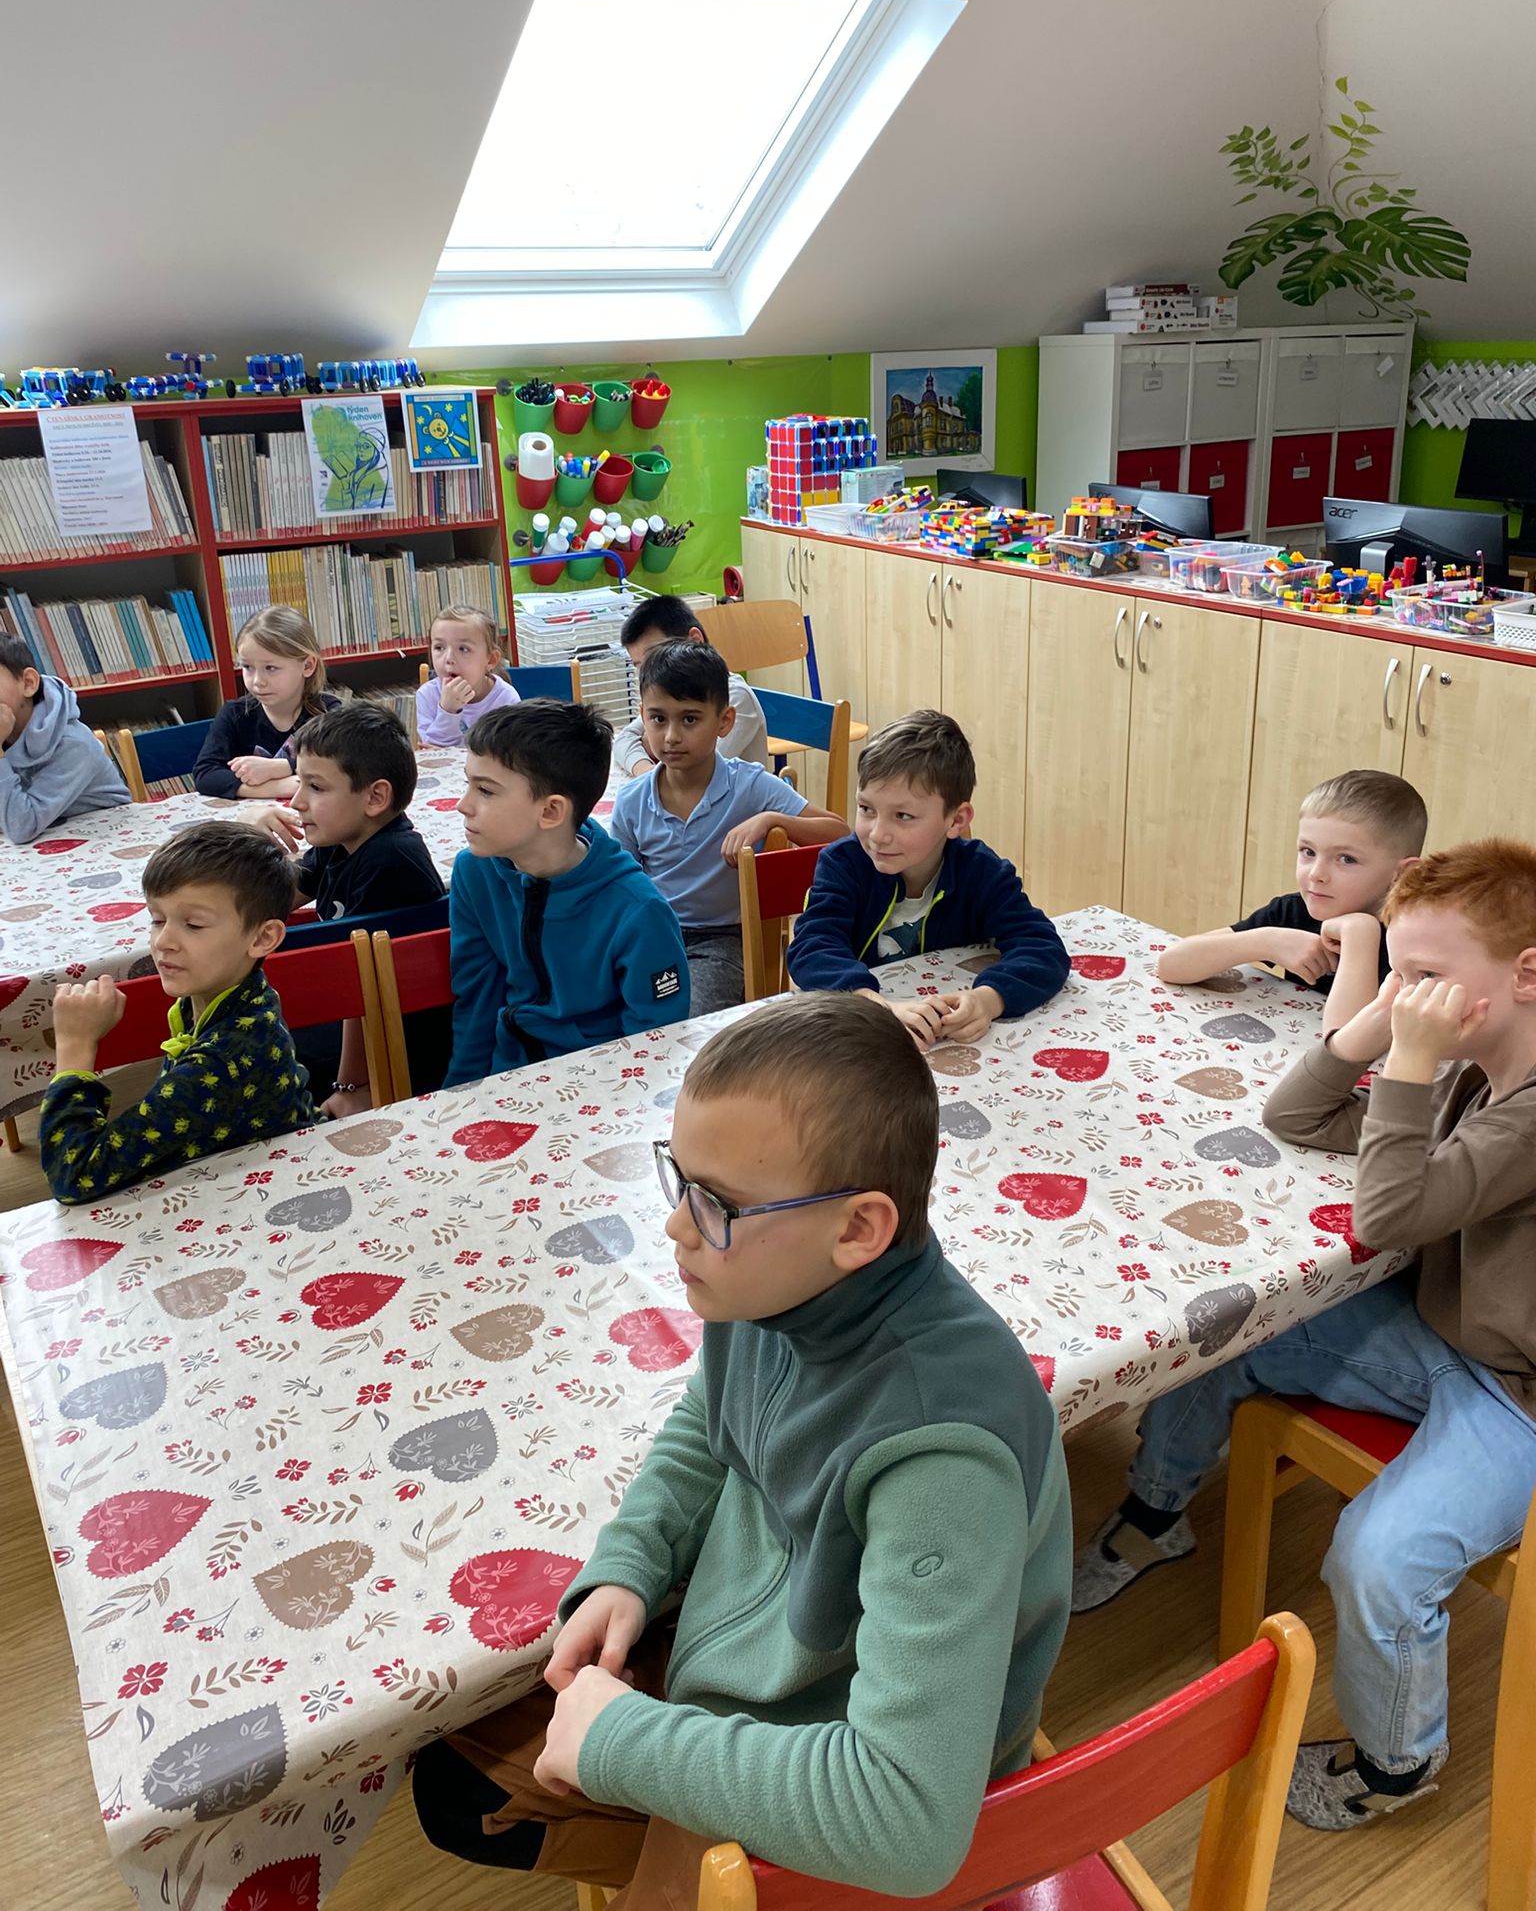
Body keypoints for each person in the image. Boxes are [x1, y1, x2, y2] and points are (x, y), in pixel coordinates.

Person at [411, 992, 1071, 1899]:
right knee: (452, 1787)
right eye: (679, 1180)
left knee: (511, 1786)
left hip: (844, 1785)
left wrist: (622, 1742)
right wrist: (633, 1562)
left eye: (716, 1203)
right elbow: (709, 1418)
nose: (678, 1228)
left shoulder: (943, 1459)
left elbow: (908, 1821)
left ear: (858, 1228)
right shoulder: (778, 1286)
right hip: (752, 1672)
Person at [1071, 838, 1536, 1833]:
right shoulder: (1474, 1065)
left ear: (1526, 974)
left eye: (1426, 977)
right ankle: (1157, 1513)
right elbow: (1296, 1115)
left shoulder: (1521, 1108)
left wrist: (1408, 1058)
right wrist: (1372, 1029)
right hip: (1442, 1337)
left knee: (1378, 1559)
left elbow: (1391, 1211)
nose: (1408, 999)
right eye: (1401, 973)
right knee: (1237, 1329)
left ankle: (1397, 1764)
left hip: (1518, 1398)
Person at [39, 821, 317, 1202]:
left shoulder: (224, 1059)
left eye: (193, 924)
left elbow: (75, 1175)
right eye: (157, 919)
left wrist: (74, 1047)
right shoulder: (228, 993)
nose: (163, 941)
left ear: (262, 937)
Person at [787, 709, 1068, 1048]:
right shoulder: (843, 864)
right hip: (861, 1039)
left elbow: (1042, 947)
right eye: (866, 809)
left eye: (903, 816)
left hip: (950, 1042)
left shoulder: (981, 871)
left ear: (956, 820)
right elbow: (812, 948)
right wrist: (878, 1008)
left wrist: (988, 999)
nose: (877, 834)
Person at [445, 699, 689, 1086]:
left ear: (551, 812)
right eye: (468, 784)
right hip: (510, 1078)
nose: (463, 805)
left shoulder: (638, 911)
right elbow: (477, 999)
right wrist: (461, 1092)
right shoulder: (475, 872)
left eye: (485, 791)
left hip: (608, 1087)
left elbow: (655, 1047)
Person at [610, 642, 846, 1016]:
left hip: (723, 940)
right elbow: (619, 888)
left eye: (690, 719)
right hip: (652, 935)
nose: (671, 736)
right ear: (642, 716)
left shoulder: (750, 785)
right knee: (617, 1014)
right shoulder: (632, 800)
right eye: (658, 719)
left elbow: (840, 833)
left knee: (690, 1020)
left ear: (725, 721)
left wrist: (774, 820)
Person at [249, 703, 446, 1117]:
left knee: (254, 1062)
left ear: (375, 797)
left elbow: (364, 985)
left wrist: (352, 1087)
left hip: (397, 1042)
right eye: (300, 783)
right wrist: (253, 843)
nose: (297, 801)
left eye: (316, 787)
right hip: (353, 1009)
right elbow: (273, 899)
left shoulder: (391, 859)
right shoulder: (341, 839)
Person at [1156, 768, 1427, 1032]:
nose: (1316, 874)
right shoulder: (1294, 911)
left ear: (1402, 873)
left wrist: (1359, 934)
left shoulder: (1418, 944)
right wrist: (1267, 941)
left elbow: (1345, 1043)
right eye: (1308, 851)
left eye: (1347, 859)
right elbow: (1171, 964)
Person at [612, 594, 768, 778]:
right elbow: (624, 740)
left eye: (655, 656)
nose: (650, 671)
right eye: (640, 666)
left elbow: (694, 773)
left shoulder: (734, 696)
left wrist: (647, 742)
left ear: (694, 640)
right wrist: (645, 770)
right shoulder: (669, 696)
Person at [193, 606, 338, 800]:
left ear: (308, 666)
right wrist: (275, 788)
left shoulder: (329, 713)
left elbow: (343, 762)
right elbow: (205, 773)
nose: (257, 681)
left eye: (270, 668)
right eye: (247, 667)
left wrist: (279, 767)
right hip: (253, 817)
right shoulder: (234, 714)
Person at [0, 635, 129, 842]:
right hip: (44, 843)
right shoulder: (5, 735)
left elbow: (22, 827)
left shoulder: (73, 743)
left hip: (107, 840)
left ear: (28, 683)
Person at [416, 605, 520, 748]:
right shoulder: (427, 695)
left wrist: (451, 753)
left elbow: (507, 755)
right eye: (439, 647)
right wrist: (448, 710)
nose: (449, 658)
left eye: (463, 649)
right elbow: (431, 753)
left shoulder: (505, 699)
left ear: (491, 660)